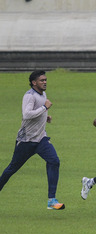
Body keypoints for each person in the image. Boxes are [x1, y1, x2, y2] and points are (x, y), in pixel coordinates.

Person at [0, 70, 65, 210]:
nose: (45, 82)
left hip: (41, 139)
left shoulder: (43, 94)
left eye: (46, 80)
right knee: (12, 169)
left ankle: (52, 200)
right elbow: (27, 114)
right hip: (26, 140)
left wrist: (45, 116)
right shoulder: (29, 96)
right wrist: (44, 108)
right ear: (34, 82)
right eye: (42, 80)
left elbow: (38, 111)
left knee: (54, 161)